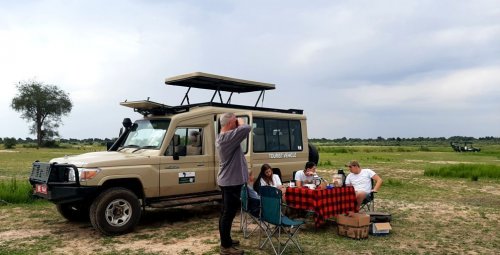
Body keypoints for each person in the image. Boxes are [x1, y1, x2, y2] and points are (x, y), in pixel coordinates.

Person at [216, 113, 251, 255]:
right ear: (230, 123)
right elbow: (247, 128)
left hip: (228, 181)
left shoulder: (225, 136)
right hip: (230, 182)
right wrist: (241, 121)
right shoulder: (226, 138)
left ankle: (227, 240)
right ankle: (225, 247)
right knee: (228, 214)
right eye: (235, 121)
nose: (237, 122)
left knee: (226, 213)